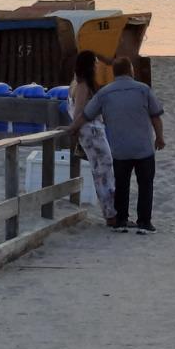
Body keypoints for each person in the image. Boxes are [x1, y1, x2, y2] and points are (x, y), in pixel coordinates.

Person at [76, 57, 164, 233]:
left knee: (122, 184)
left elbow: (85, 115)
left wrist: (72, 128)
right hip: (143, 147)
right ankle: (144, 223)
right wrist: (159, 138)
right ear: (131, 71)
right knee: (145, 184)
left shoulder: (104, 93)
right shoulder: (143, 90)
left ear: (114, 73)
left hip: (120, 149)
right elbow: (156, 116)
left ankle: (121, 220)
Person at [67, 50, 118, 227]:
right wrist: (74, 128)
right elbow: (79, 112)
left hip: (90, 132)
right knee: (104, 171)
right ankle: (111, 213)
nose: (97, 66)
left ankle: (110, 212)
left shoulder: (75, 83)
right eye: (95, 63)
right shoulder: (82, 85)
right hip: (92, 132)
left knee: (102, 171)